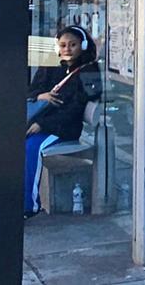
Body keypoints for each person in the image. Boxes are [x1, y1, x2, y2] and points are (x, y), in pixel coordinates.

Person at [24, 26, 98, 217]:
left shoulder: (89, 70)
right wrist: (42, 96)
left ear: (83, 45)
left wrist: (43, 124)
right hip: (39, 123)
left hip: (63, 128)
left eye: (73, 45)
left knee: (32, 147)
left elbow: (75, 108)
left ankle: (29, 205)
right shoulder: (50, 65)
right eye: (63, 45)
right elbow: (32, 91)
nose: (67, 49)